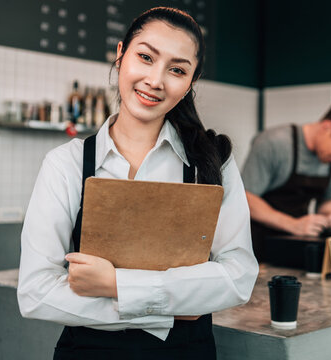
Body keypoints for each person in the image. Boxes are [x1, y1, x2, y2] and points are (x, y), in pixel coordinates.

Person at [17, 7, 258, 359]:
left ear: (192, 80)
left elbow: (238, 277)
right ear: (120, 55)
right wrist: (169, 307)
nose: (155, 80)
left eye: (177, 69)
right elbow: (36, 293)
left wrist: (115, 285)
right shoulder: (65, 164)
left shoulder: (212, 161)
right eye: (145, 57)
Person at [242, 100, 331, 261]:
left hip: (299, 245)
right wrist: (292, 224)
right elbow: (246, 197)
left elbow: (330, 199)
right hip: (259, 246)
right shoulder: (274, 143)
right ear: (327, 127)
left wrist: (328, 219)